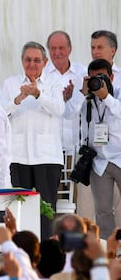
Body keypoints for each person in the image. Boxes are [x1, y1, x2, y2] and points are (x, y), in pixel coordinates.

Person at [0, 41, 65, 240]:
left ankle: (47, 250)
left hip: (47, 156)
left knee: (47, 209)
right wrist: (18, 98)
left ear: (45, 62)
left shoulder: (54, 82)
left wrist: (38, 94)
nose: (32, 64)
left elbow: (59, 109)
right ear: (22, 61)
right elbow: (1, 113)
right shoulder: (10, 84)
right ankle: (22, 249)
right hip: (18, 156)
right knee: (18, 206)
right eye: (28, 60)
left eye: (37, 60)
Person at [64, 58, 121, 240]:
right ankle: (108, 249)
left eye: (102, 77)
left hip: (119, 158)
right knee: (103, 210)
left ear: (111, 76)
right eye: (94, 78)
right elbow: (68, 114)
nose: (98, 82)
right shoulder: (86, 99)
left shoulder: (118, 94)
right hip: (98, 162)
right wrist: (81, 92)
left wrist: (106, 97)